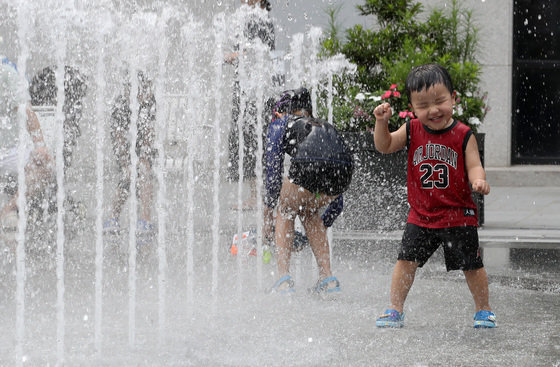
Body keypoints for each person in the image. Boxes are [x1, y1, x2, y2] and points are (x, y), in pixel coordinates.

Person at [373, 63, 495, 328]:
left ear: (453, 97)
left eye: (440, 101)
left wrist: (479, 179)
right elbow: (385, 146)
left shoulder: (463, 134)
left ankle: (484, 309)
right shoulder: (412, 129)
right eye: (423, 105)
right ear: (413, 108)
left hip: (458, 215)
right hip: (422, 215)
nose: (433, 110)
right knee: (405, 262)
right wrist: (381, 123)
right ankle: (394, 308)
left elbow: (474, 163)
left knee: (472, 265)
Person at [263, 87, 353, 294]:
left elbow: (273, 170)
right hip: (344, 171)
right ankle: (327, 279)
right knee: (309, 212)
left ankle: (284, 280)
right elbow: (337, 202)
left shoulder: (280, 123)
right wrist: (318, 228)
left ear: (279, 112)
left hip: (308, 165)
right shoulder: (324, 126)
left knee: (286, 209)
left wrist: (269, 211)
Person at [226, 0, 275, 210]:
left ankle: (258, 196)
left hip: (256, 93)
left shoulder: (261, 20)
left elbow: (258, 52)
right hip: (247, 89)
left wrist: (234, 56)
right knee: (244, 139)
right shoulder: (253, 19)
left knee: (255, 140)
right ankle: (256, 194)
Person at [0, 56, 54, 233]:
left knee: (45, 164)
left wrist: (40, 146)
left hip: (6, 152)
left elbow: (26, 111)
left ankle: (8, 208)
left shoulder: (6, 73)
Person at [103, 70, 156, 242]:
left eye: (144, 89)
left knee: (144, 171)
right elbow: (118, 140)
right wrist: (126, 163)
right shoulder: (120, 106)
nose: (142, 93)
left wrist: (142, 159)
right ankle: (113, 217)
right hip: (125, 149)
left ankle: (145, 219)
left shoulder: (149, 103)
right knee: (127, 177)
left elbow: (149, 135)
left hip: (145, 148)